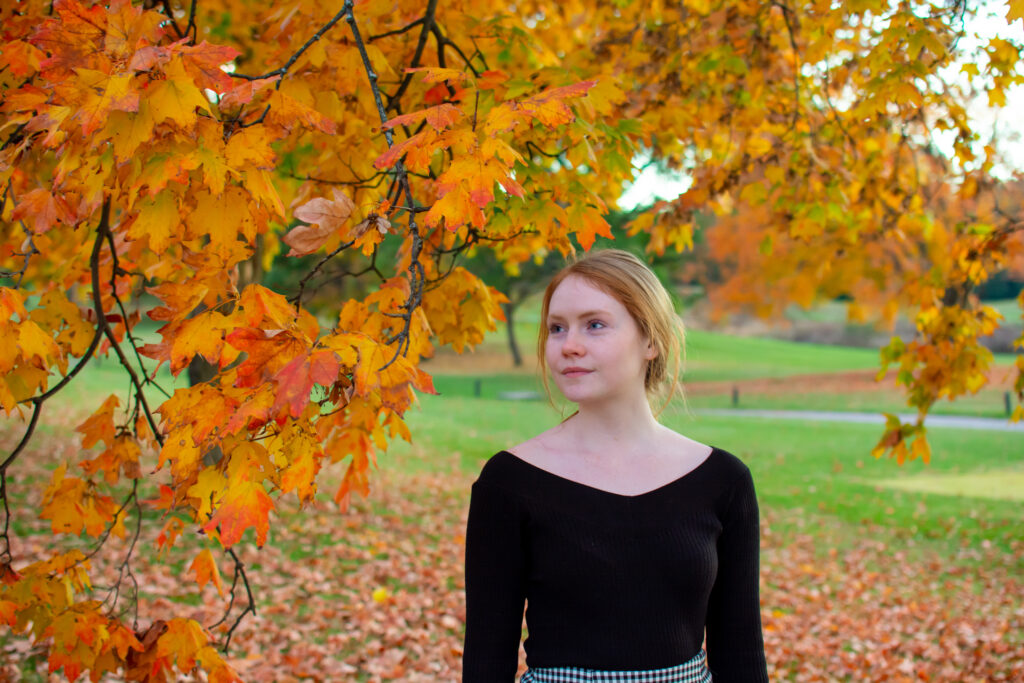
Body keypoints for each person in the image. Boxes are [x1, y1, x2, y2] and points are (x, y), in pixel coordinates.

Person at [462, 249, 769, 682]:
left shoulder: (723, 481)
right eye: (556, 328)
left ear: (651, 341)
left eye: (595, 325)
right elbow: (485, 661)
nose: (569, 345)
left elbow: (741, 654)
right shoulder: (509, 483)